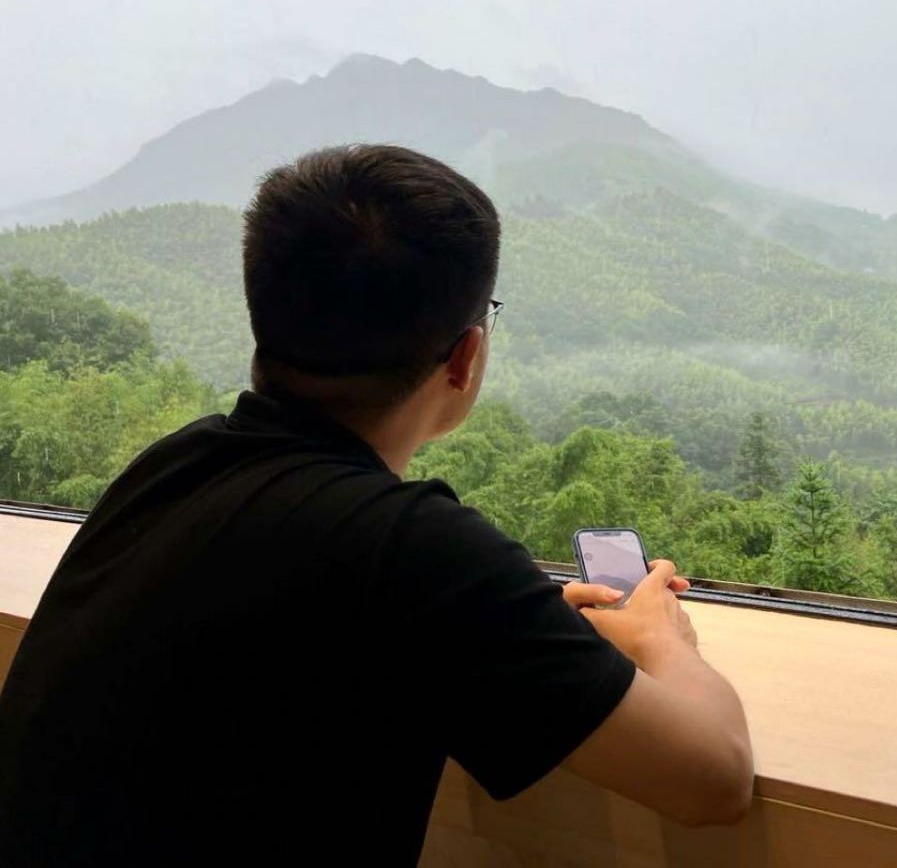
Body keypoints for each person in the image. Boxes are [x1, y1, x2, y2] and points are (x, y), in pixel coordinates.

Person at [0, 145, 753, 866]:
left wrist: (523, 625)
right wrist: (660, 637)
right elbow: (714, 778)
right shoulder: (414, 551)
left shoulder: (173, 467)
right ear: (466, 357)